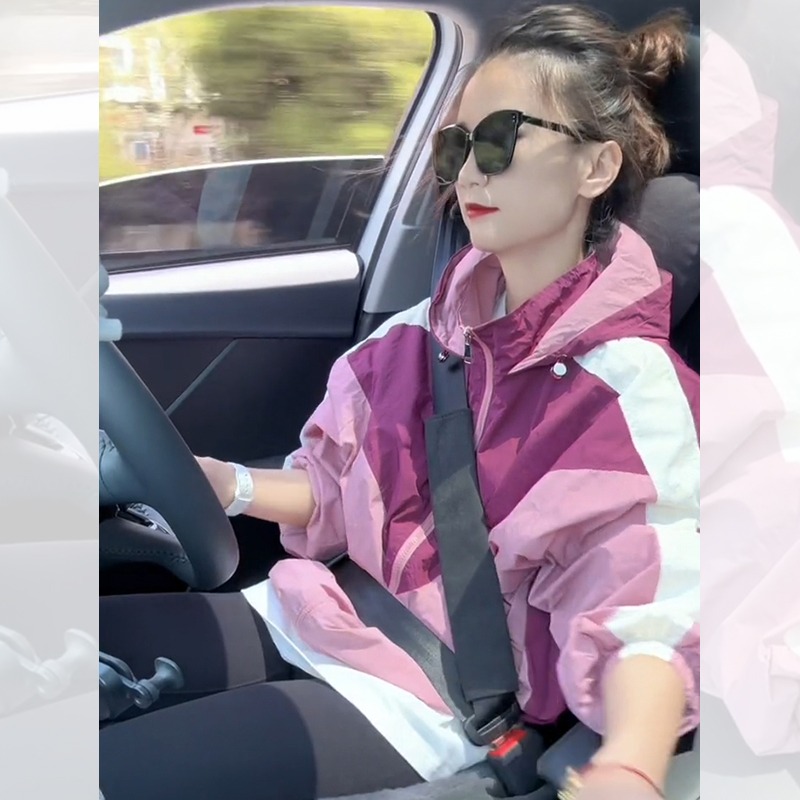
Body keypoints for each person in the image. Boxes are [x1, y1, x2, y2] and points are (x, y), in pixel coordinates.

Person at [99, 5, 699, 799]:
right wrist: (227, 484)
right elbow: (335, 485)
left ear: (596, 167)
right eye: (457, 146)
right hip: (308, 609)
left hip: (421, 700)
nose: (470, 171)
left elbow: (643, 610)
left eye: (501, 138)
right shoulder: (420, 333)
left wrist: (630, 764)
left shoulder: (628, 392)